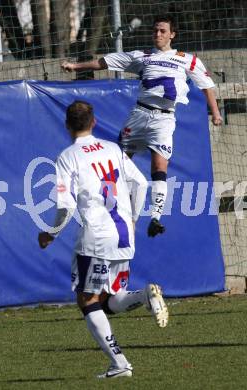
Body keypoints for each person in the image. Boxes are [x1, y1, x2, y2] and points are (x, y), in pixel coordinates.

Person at [38, 100, 169, 379]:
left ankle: (120, 364)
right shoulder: (113, 149)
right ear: (94, 122)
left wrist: (50, 233)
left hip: (96, 236)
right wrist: (133, 218)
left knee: (87, 299)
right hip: (124, 234)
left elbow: (66, 205)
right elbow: (142, 183)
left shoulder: (68, 157)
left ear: (67, 126)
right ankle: (144, 295)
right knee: (109, 299)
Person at [61, 14, 223, 238]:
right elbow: (104, 62)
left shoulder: (188, 60)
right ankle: (107, 207)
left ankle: (155, 218)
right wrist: (75, 66)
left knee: (159, 167)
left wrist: (215, 113)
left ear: (172, 35)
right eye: (155, 30)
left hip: (164, 120)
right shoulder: (142, 56)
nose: (158, 34)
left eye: (163, 31)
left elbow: (207, 86)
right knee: (117, 162)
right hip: (140, 114)